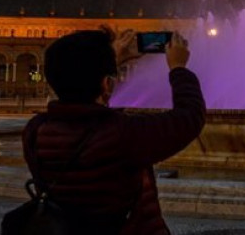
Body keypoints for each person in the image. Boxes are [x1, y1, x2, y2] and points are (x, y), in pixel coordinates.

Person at [22, 29, 206, 234]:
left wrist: (112, 61)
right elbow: (189, 118)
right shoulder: (122, 133)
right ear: (107, 84)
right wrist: (178, 68)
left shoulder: (35, 130)